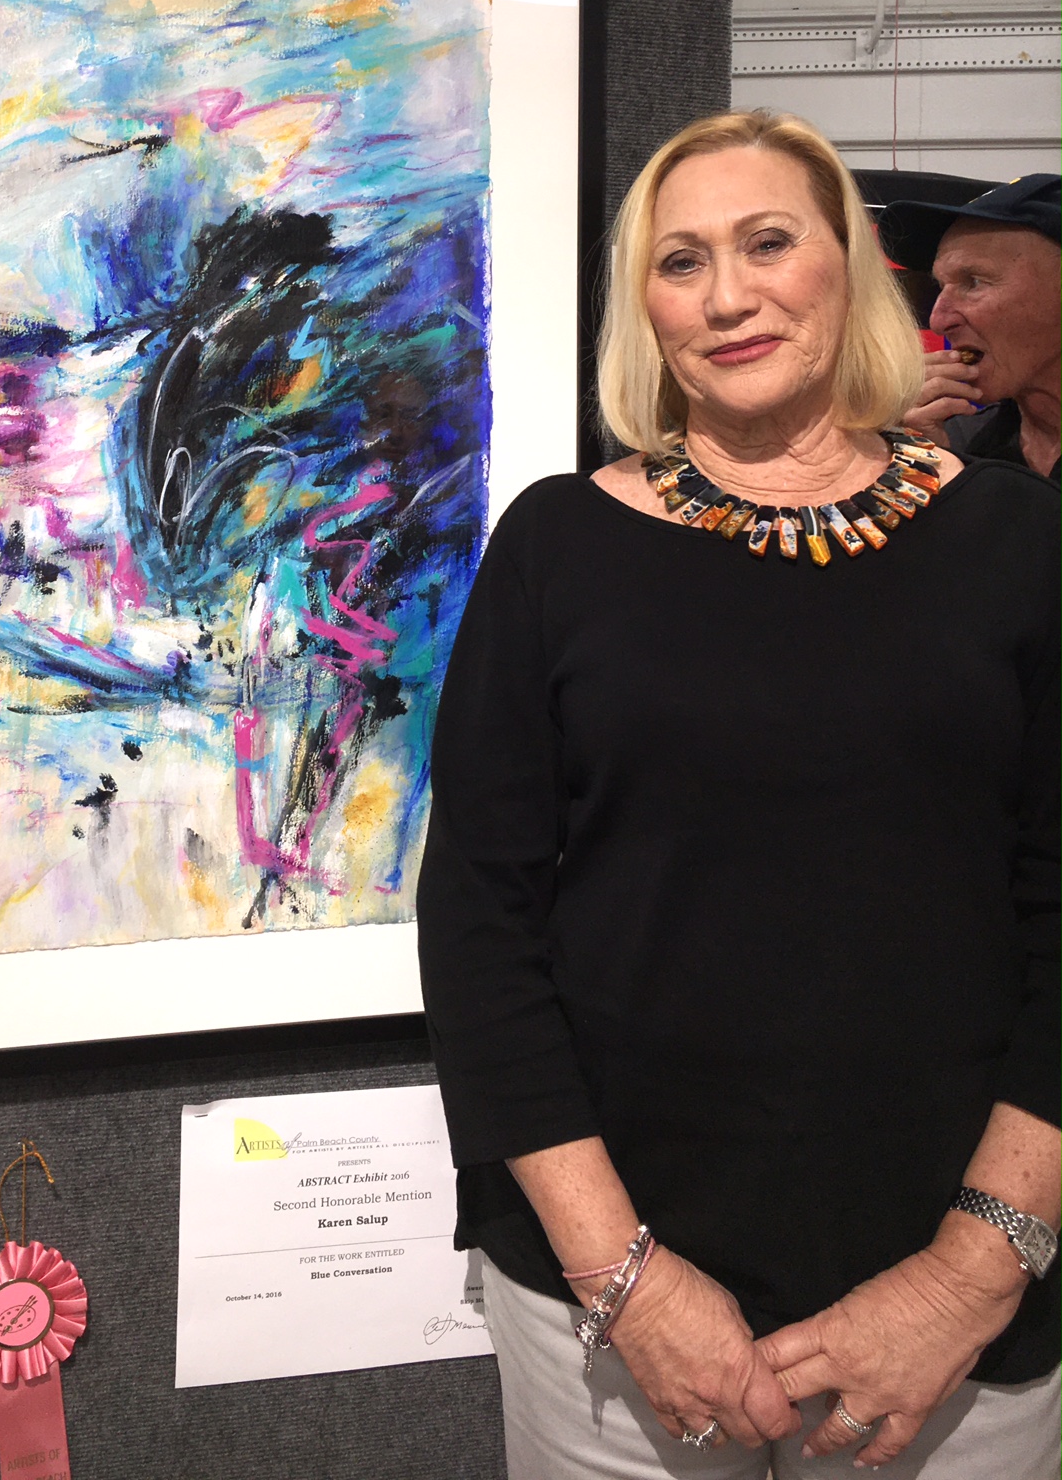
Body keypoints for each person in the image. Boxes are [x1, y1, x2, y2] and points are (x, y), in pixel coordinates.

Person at [417, 109, 1062, 1479]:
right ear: (645, 309)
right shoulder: (555, 545)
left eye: (768, 242)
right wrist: (626, 1279)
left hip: (960, 1303)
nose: (726, 296)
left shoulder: (1023, 542)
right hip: (608, 1298)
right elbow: (479, 927)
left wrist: (970, 1274)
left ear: (849, 263)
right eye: (681, 261)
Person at [877, 175, 1062, 479]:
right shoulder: (955, 441)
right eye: (940, 286)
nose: (938, 321)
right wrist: (932, 474)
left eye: (974, 282)